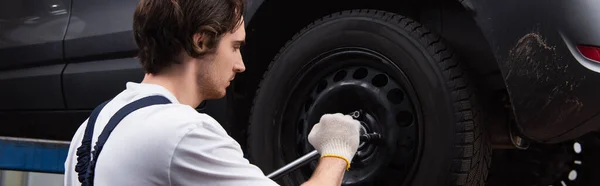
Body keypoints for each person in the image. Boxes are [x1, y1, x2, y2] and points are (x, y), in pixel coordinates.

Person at [63, 0, 362, 185]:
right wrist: (337, 150)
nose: (240, 65)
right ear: (202, 41)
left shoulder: (92, 126)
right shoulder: (183, 132)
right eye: (235, 47)